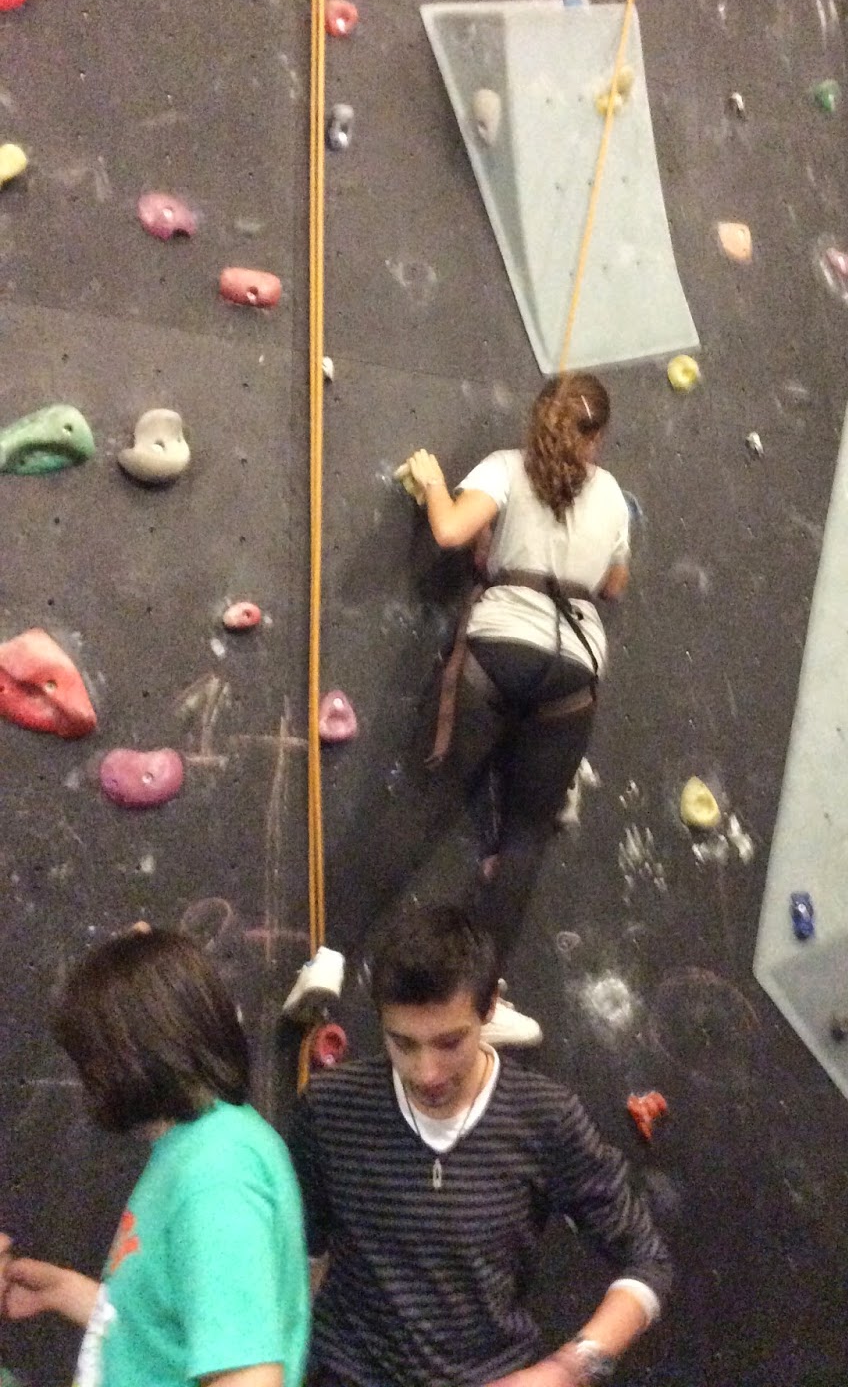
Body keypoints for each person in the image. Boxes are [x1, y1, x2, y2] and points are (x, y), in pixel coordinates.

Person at [286, 373, 631, 1046]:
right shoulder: (613, 495)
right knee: (526, 836)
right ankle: (486, 1004)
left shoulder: (507, 468)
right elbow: (612, 584)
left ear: (539, 419)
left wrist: (434, 483)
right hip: (574, 673)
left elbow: (447, 530)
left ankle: (328, 959)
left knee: (418, 802)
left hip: (498, 646)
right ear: (599, 437)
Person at [290, 904, 669, 1387]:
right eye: (403, 1043)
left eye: (449, 1043)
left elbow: (647, 1260)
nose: (426, 1072)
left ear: (489, 1009)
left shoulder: (545, 1118)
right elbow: (303, 1253)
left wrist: (564, 1370)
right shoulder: (330, 1110)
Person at [0, 929, 310, 1387]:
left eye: (89, 1058)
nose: (87, 1082)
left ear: (125, 1053)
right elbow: (165, 1332)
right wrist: (62, 1291)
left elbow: (248, 1377)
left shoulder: (215, 1170)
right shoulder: (195, 1148)